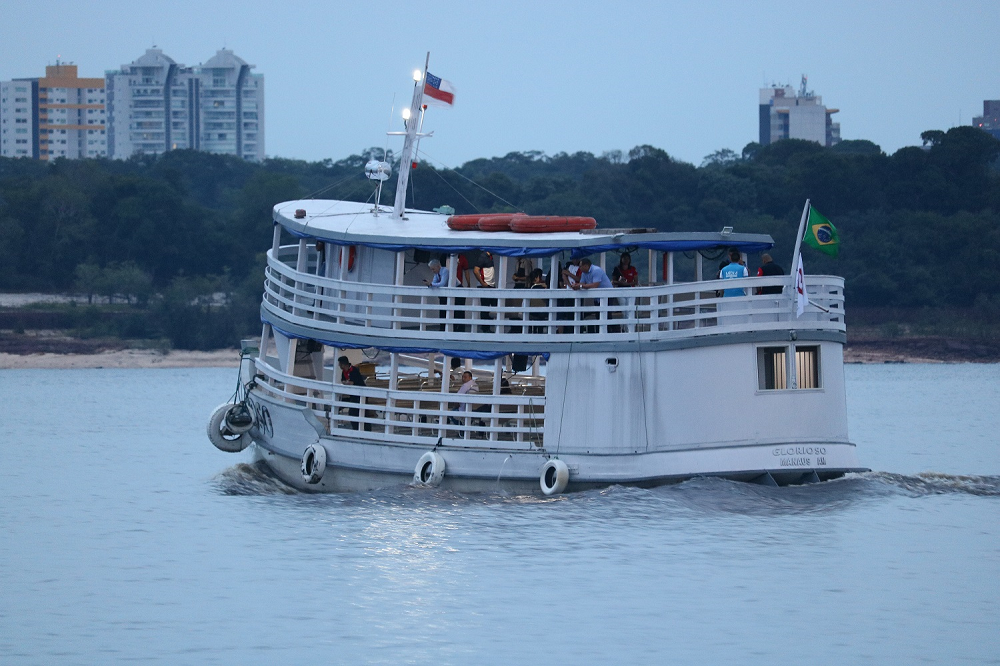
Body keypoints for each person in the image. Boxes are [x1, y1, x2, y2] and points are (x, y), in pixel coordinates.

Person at [338, 355, 368, 430]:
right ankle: (356, 428)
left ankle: (363, 429)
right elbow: (343, 380)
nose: (339, 366)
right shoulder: (344, 372)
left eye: (340, 364)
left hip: (360, 394)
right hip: (352, 395)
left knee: (360, 413)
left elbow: (355, 382)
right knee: (352, 412)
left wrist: (349, 382)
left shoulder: (354, 370)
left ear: (344, 364)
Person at [528, 268, 548, 333]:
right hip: (540, 311)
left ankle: (530, 331)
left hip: (531, 310)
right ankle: (540, 332)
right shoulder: (540, 287)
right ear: (536, 278)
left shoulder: (529, 287)